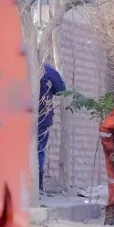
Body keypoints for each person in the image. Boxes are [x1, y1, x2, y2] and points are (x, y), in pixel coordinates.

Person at [37, 63, 66, 191]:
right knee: (39, 150)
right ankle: (37, 185)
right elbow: (61, 90)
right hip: (42, 117)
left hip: (21, 117)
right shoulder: (48, 70)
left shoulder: (16, 63)